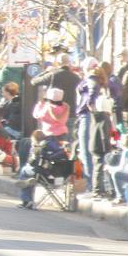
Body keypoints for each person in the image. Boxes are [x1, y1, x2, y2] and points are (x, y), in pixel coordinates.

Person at [15, 129, 69, 210]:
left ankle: (26, 200)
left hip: (43, 174)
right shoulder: (55, 145)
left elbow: (32, 161)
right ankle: (28, 190)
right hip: (58, 177)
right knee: (29, 176)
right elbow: (62, 154)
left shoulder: (40, 146)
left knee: (24, 171)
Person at [75, 59, 106, 190]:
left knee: (86, 150)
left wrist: (90, 105)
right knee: (87, 150)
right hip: (87, 116)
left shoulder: (91, 79)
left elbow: (92, 92)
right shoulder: (94, 79)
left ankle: (90, 184)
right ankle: (92, 183)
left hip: (87, 116)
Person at [30, 53, 81, 125]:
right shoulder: (76, 78)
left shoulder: (52, 75)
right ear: (69, 63)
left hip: (53, 113)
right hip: (70, 113)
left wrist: (47, 71)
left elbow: (34, 81)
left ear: (57, 63)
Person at [89, 95, 115, 199]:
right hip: (101, 146)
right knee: (101, 169)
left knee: (97, 169)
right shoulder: (105, 118)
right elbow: (105, 135)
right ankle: (99, 191)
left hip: (93, 144)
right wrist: (108, 149)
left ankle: (97, 190)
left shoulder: (95, 116)